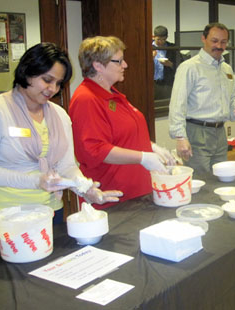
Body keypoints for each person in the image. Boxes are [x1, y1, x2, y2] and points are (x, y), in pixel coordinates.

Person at [0, 43, 122, 222]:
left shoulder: (59, 115)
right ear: (27, 71)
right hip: (8, 216)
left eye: (58, 83)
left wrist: (85, 188)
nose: (53, 89)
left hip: (51, 211)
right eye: (47, 80)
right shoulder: (2, 109)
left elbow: (66, 166)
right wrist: (36, 181)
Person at [69, 36, 175, 209]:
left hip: (136, 193)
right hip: (114, 198)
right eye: (119, 61)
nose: (125, 65)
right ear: (98, 66)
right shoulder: (86, 99)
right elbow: (94, 150)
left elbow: (121, 136)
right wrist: (142, 157)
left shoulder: (113, 94)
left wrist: (150, 147)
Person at [169, 22, 235, 174]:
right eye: (214, 41)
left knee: (221, 176)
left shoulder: (226, 69)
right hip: (197, 132)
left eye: (223, 42)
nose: (219, 46)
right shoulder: (190, 67)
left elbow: (232, 98)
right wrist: (180, 137)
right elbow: (178, 104)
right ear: (203, 38)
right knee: (201, 181)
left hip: (220, 133)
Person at [153, 25, 180, 99]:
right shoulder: (147, 47)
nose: (161, 42)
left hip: (167, 83)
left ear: (167, 37)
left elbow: (181, 65)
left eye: (163, 39)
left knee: (165, 105)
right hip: (151, 83)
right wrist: (151, 58)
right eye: (158, 39)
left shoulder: (172, 48)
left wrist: (171, 64)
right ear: (153, 37)